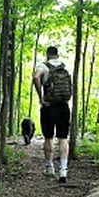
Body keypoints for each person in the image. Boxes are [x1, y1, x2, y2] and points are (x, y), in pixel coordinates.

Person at [32, 46, 71, 183]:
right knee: (63, 138)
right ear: (57, 55)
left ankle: (49, 167)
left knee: (48, 137)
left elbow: (36, 77)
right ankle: (63, 170)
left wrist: (40, 97)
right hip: (64, 106)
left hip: (48, 106)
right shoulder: (66, 67)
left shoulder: (43, 66)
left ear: (47, 55)